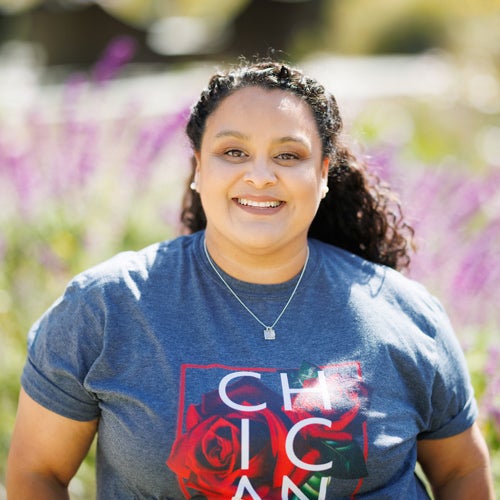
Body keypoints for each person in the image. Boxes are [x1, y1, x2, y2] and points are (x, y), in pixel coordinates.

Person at [7, 59, 494, 499]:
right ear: (198, 168)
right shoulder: (106, 307)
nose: (260, 176)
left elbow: (461, 475)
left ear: (323, 174)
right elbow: (37, 473)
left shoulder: (407, 314)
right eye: (233, 152)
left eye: (288, 156)